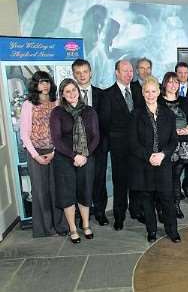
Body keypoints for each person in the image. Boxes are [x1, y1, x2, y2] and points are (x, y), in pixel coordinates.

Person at [128, 76, 181, 243]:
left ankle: (172, 231)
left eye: (153, 91)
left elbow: (173, 141)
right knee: (147, 200)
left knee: (167, 199)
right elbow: (132, 142)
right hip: (144, 164)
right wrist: (149, 156)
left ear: (159, 92)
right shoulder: (135, 114)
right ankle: (151, 230)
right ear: (143, 93)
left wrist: (163, 154)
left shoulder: (168, 114)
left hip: (163, 163)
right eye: (147, 91)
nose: (150, 94)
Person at [50, 78, 100, 243]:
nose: (72, 94)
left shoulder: (89, 111)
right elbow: (56, 140)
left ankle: (85, 224)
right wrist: (74, 156)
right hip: (64, 159)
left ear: (78, 91)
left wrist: (84, 155)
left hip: (86, 158)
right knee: (67, 194)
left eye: (74, 90)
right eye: (67, 91)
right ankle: (72, 228)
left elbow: (95, 137)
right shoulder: (57, 112)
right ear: (62, 95)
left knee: (85, 191)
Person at [19, 71, 67, 238]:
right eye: (41, 82)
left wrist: (54, 151)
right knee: (40, 191)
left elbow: (62, 130)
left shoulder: (57, 102)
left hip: (56, 152)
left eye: (46, 81)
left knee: (57, 190)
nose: (45, 85)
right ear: (35, 85)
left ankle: (61, 226)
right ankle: (46, 229)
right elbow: (24, 134)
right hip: (36, 154)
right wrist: (36, 156)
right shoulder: (28, 104)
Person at [99, 60, 143, 230]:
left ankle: (136, 210)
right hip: (119, 148)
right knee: (120, 183)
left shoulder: (138, 90)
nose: (128, 74)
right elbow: (105, 122)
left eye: (131, 71)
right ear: (116, 72)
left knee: (137, 180)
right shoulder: (108, 94)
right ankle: (119, 216)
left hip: (138, 147)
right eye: (125, 71)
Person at [72, 59, 109, 226]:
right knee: (81, 182)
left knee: (99, 180)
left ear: (90, 72)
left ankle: (100, 212)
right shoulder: (69, 95)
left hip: (99, 146)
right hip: (77, 149)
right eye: (78, 72)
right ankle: (83, 215)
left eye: (85, 71)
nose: (82, 75)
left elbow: (106, 122)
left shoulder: (102, 94)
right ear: (73, 74)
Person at [159, 72, 188, 218]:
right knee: (163, 178)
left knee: (176, 176)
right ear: (165, 84)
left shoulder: (185, 101)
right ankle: (161, 209)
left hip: (183, 144)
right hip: (165, 145)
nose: (173, 85)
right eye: (170, 82)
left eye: (176, 82)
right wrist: (173, 131)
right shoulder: (158, 101)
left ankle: (176, 206)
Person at [175, 62, 188, 198]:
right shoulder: (171, 88)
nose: (183, 75)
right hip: (176, 133)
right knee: (177, 163)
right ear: (176, 74)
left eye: (185, 73)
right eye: (180, 72)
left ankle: (187, 185)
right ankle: (176, 188)